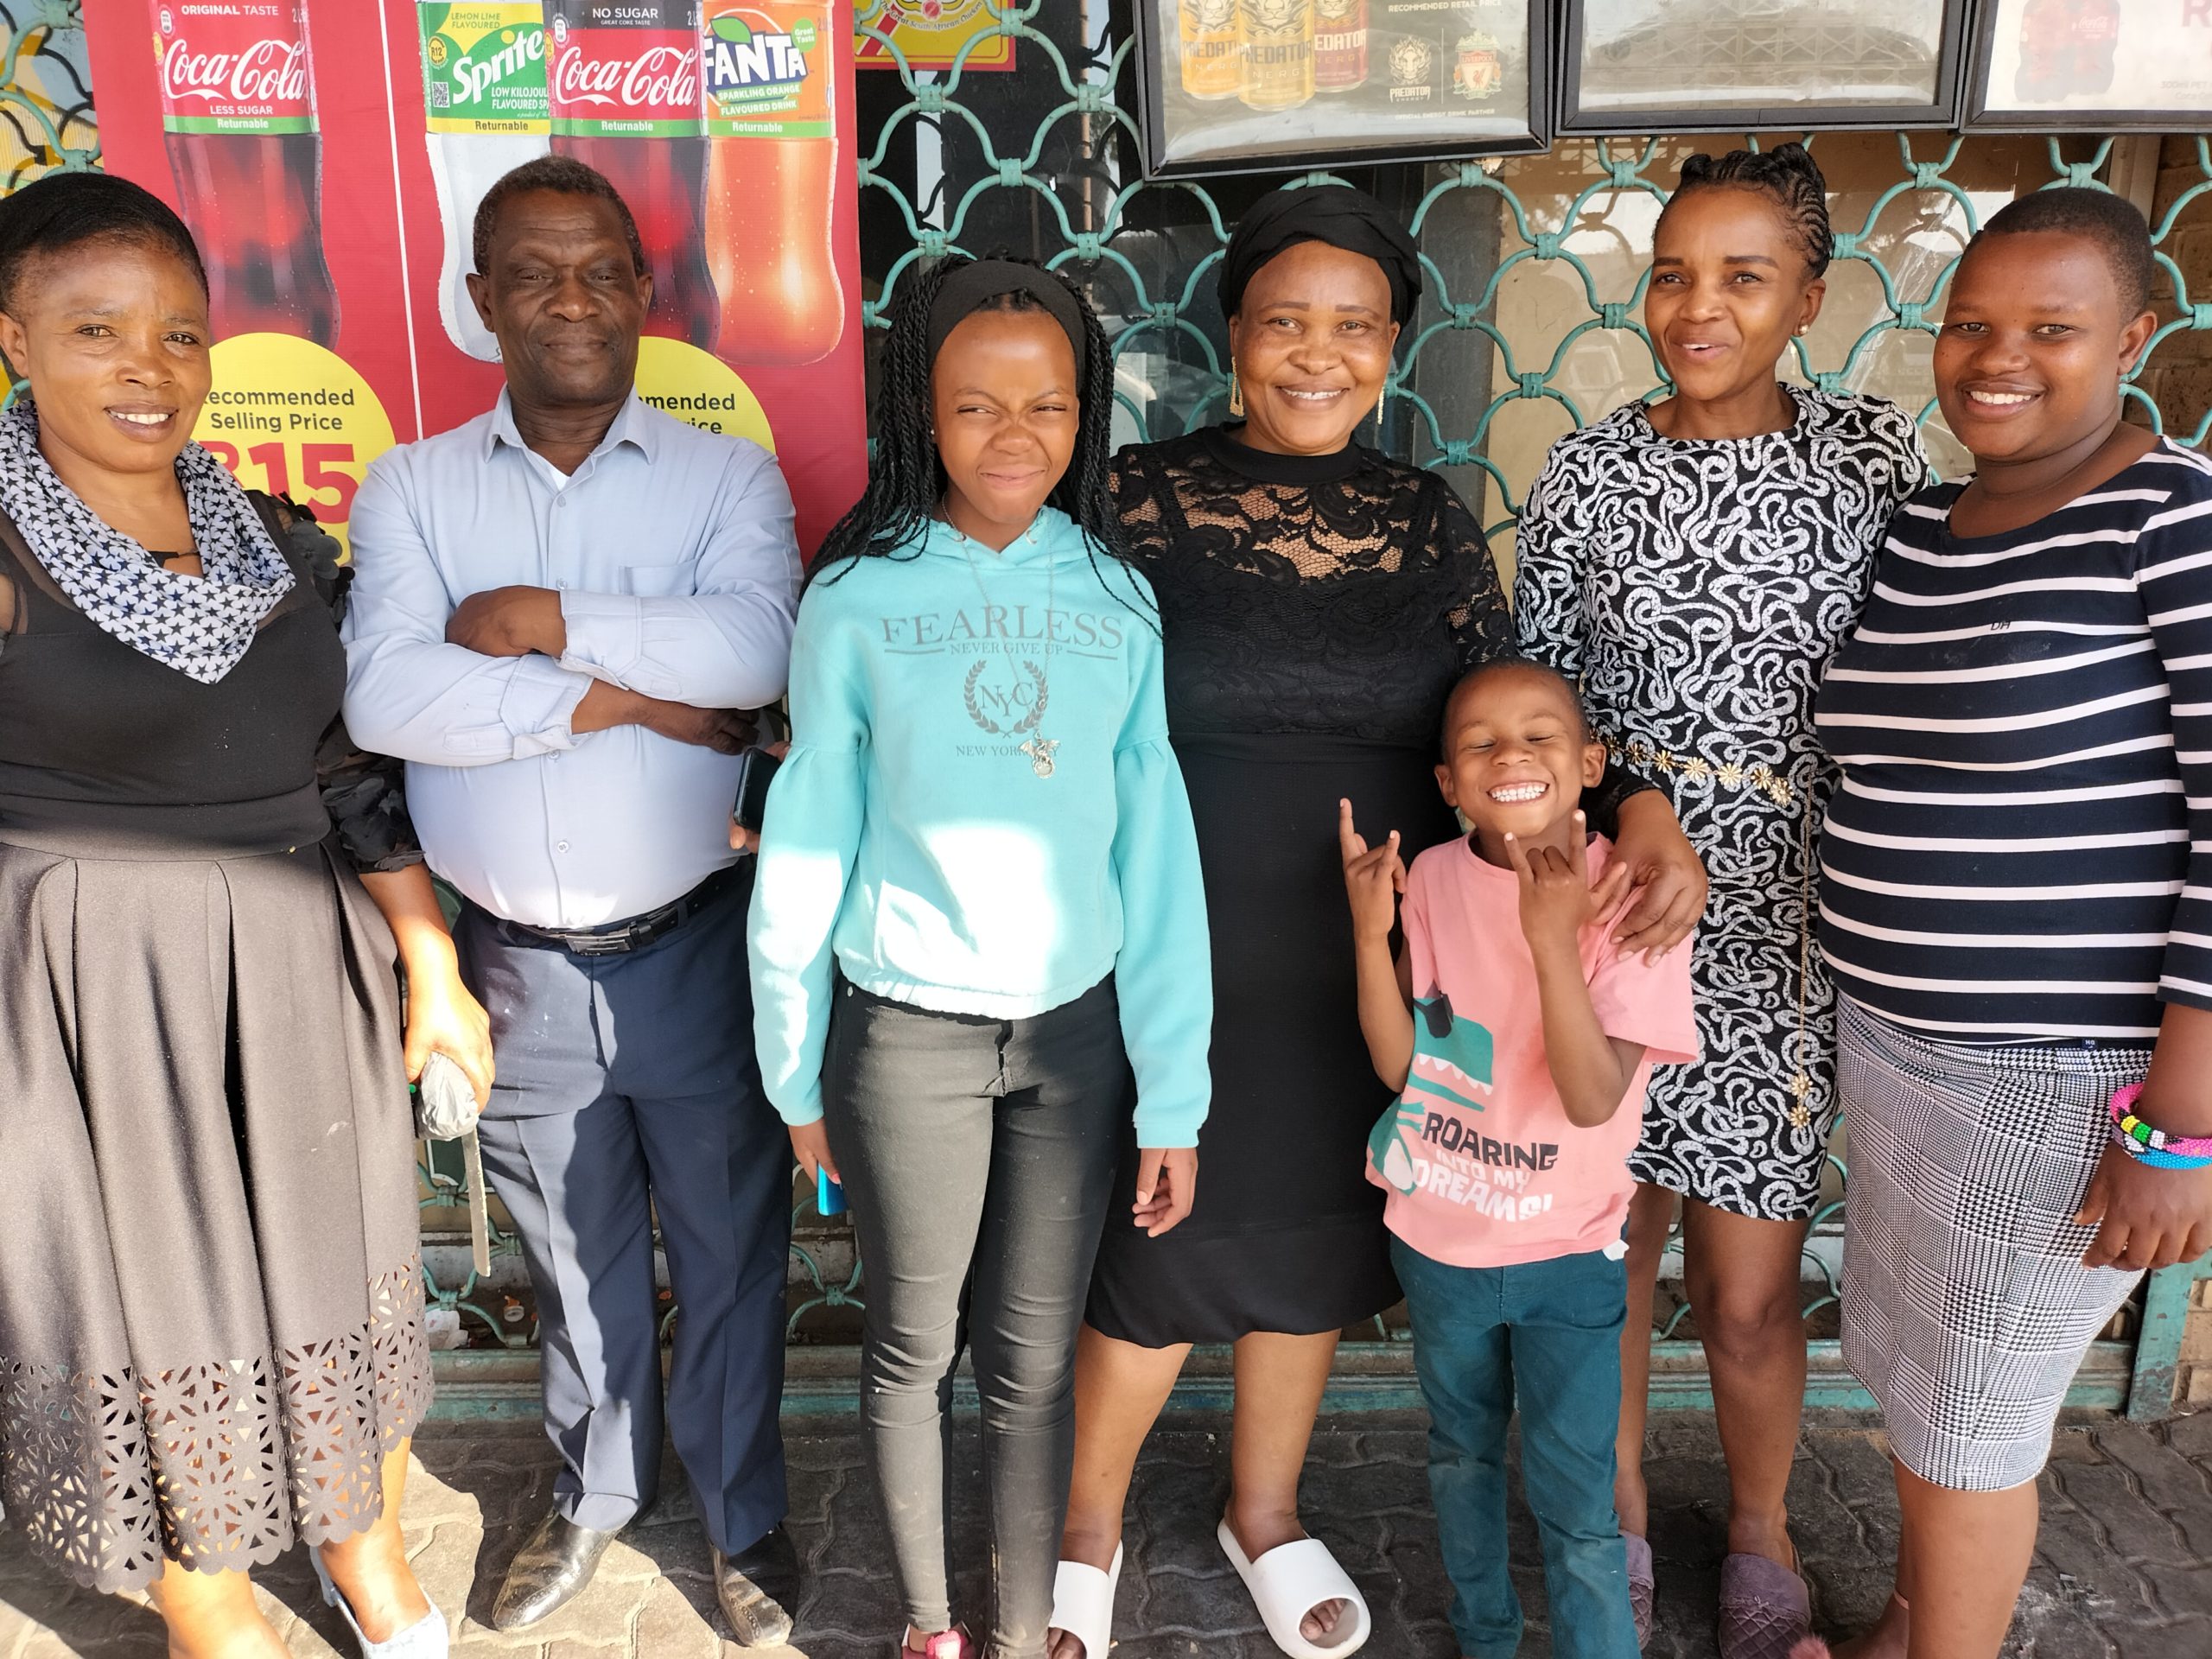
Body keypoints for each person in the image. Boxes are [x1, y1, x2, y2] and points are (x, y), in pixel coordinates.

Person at [1050, 183, 1707, 1659]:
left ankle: (1265, 1510)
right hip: (1177, 928)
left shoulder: (1424, 520)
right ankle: (1086, 1528)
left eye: (1354, 327)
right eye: (1285, 320)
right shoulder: (1133, 498)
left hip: (1377, 944)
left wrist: (1644, 802)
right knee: (1157, 1240)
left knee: (1316, 1236)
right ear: (1232, 332)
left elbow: (1517, 713)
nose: (1318, 353)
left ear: (1395, 347)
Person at [0, 171, 491, 1659]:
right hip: (90, 994)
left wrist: (430, 961)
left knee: (338, 1271)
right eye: (96, 330)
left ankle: (363, 1547)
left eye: (179, 333)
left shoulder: (280, 539)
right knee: (147, 1306)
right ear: (15, 339)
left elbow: (347, 771)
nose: (148, 366)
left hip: (292, 963)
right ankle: (208, 1600)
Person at [340, 156, 803, 1643]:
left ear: (646, 292)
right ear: (481, 300)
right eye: (534, 273)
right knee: (571, 1257)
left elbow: (754, 654)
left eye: (602, 270)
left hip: (697, 947)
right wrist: (622, 697)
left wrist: (542, 625)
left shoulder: (725, 476)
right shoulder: (413, 487)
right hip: (515, 966)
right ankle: (596, 1492)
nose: (572, 300)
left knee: (729, 1247)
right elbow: (387, 698)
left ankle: (740, 1511)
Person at [747, 254, 1211, 1659]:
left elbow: (1154, 857)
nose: (1016, 436)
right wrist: (795, 1070)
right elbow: (807, 838)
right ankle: (932, 1624)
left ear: (1088, 413)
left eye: (1048, 405)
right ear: (921, 414)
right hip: (905, 1038)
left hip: (1072, 1044)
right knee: (911, 1346)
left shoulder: (1118, 599)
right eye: (976, 405)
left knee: (1030, 1362)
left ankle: (1018, 1630)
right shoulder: (857, 597)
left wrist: (1174, 1095)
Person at [1512, 143, 1926, 1655]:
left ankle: (1761, 1531)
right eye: (1676, 273)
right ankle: (1617, 1516)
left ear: (1810, 299)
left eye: (1746, 277)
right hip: (1619, 908)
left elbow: (1919, 682)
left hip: (1790, 925)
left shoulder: (1875, 466)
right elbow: (1541, 702)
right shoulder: (1589, 472)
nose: (1701, 306)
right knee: (1608, 1254)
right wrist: (1635, 807)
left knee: (1748, 1286)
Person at [1802, 190, 2212, 1659]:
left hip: (2062, 1077)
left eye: (2053, 328)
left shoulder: (2175, 519)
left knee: (1975, 1418)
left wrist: (2182, 1127)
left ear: (2135, 339)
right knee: (1920, 1381)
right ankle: (1912, 1626)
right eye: (1972, 323)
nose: (2000, 358)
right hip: (1898, 1046)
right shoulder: (1926, 524)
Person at [1344, 658, 1698, 1659]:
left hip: (1567, 1254)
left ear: (1588, 764)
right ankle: (1485, 1634)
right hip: (1438, 1241)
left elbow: (1591, 1098)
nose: (1510, 756)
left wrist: (1552, 941)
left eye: (1539, 736)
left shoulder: (1633, 897)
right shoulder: (1435, 878)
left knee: (1577, 1498)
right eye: (1479, 743)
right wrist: (1369, 938)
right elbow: (1402, 1066)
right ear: (1448, 781)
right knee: (1460, 1453)